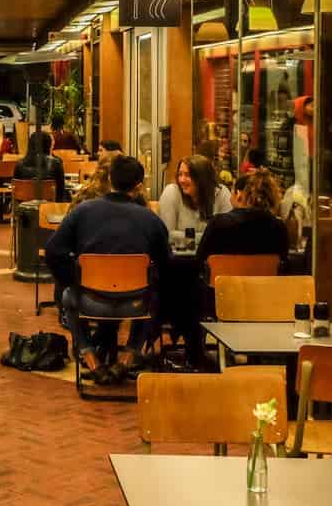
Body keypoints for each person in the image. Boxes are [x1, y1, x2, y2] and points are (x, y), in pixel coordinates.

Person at [45, 156, 169, 381]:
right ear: (139, 186)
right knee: (155, 295)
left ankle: (90, 358)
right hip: (135, 304)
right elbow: (165, 264)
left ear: (109, 178)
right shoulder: (151, 220)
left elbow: (53, 250)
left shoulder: (83, 212)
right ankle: (129, 357)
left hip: (90, 300)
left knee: (67, 296)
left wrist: (74, 279)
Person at [196, 168, 290, 262]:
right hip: (264, 277)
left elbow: (200, 260)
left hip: (224, 276)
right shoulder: (279, 227)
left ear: (238, 194)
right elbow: (283, 265)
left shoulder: (218, 223)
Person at [158, 154, 232, 236]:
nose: (182, 180)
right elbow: (167, 234)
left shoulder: (221, 193)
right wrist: (207, 237)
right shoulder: (171, 192)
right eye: (180, 174)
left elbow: (227, 234)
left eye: (187, 175)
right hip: (179, 248)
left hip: (212, 249)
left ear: (202, 178)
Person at [14, 130, 67, 201]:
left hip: (24, 207)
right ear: (48, 145)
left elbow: (16, 191)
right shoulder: (56, 163)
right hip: (49, 208)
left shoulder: (19, 165)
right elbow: (60, 192)